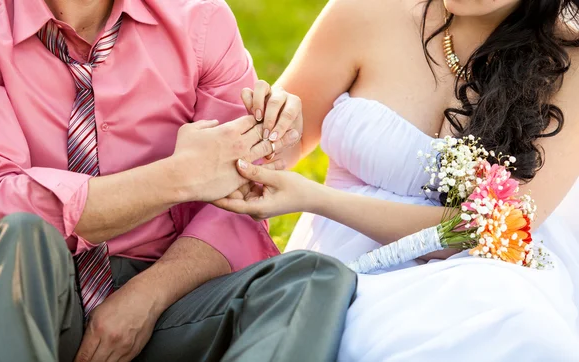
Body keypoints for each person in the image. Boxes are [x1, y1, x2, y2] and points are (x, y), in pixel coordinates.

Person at [0, 1, 357, 361]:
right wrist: (178, 177)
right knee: (20, 234)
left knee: (311, 277)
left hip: (170, 294)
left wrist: (148, 296)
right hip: (29, 289)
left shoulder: (200, 20)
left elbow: (239, 200)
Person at [214, 0, 579, 360]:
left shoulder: (569, 64)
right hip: (342, 263)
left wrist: (316, 198)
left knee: (508, 327)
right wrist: (269, 125)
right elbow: (271, 148)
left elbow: (492, 231)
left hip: (481, 272)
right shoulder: (365, 11)